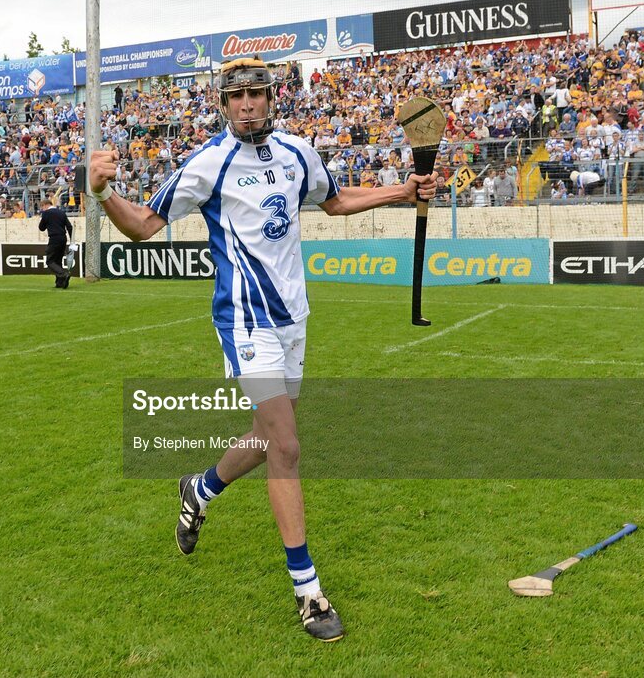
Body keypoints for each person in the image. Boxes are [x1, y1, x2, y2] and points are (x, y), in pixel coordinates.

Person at [86, 55, 438, 642]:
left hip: (294, 317)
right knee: (288, 444)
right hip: (245, 320)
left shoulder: (298, 153)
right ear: (223, 105)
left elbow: (334, 200)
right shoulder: (208, 164)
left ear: (271, 99)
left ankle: (198, 488)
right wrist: (101, 193)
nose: (247, 103)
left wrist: (400, 192)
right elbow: (144, 224)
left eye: (257, 93)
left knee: (270, 435)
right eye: (236, 96)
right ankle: (309, 592)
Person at [38, 197, 73, 288]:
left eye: (42, 207)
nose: (42, 209)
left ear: (45, 205)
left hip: (54, 238)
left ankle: (63, 274)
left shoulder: (46, 213)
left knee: (50, 261)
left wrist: (44, 219)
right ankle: (60, 282)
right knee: (58, 260)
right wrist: (71, 239)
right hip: (63, 238)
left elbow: (41, 228)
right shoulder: (61, 212)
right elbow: (69, 227)